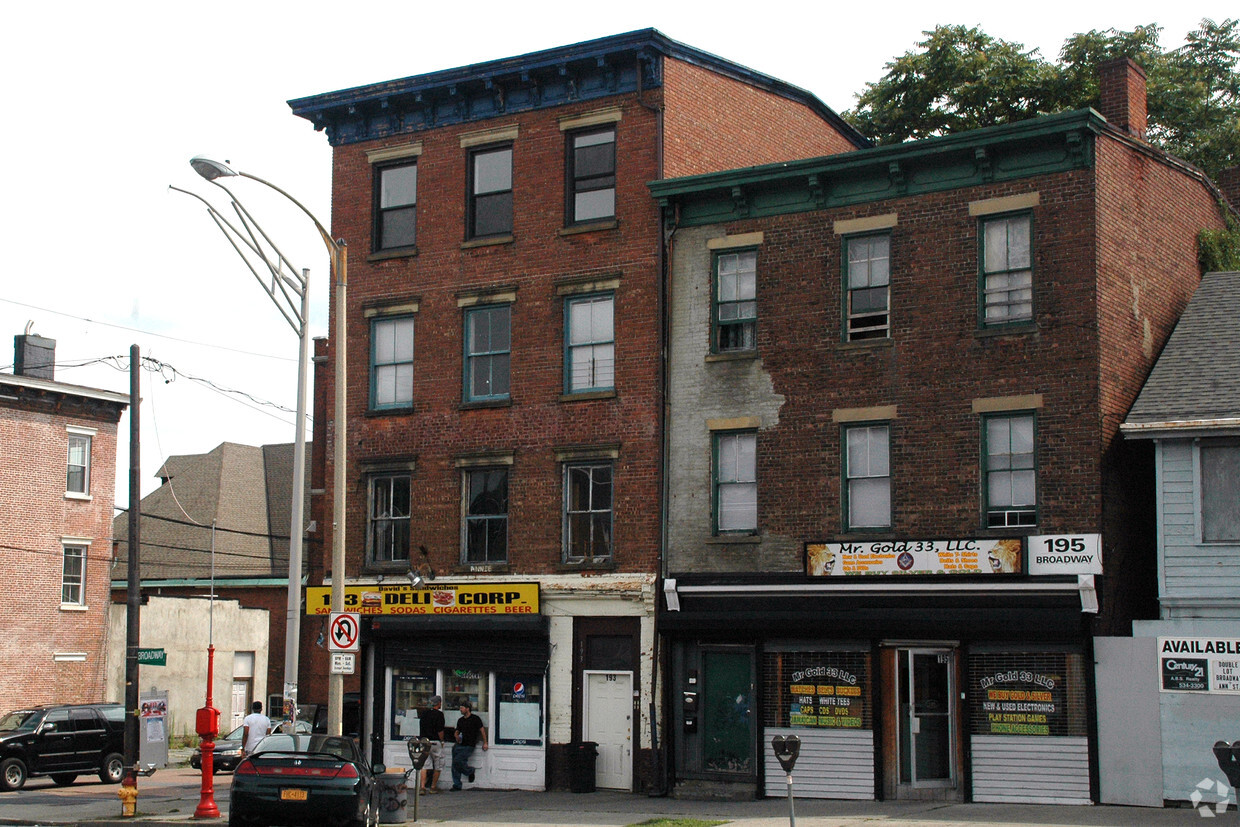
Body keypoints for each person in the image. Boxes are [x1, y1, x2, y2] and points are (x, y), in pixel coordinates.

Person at [450, 700, 487, 791]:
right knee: (455, 764)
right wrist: (456, 736)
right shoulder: (460, 720)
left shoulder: (475, 719)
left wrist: (485, 742)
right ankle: (457, 785)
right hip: (459, 744)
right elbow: (457, 731)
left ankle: (470, 771)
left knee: (457, 761)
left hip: (469, 745)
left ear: (467, 709)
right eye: (460, 708)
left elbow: (482, 731)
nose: (460, 710)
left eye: (462, 708)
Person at [419, 695, 445, 794]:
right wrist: (442, 741)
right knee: (438, 764)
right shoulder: (439, 715)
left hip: (424, 741)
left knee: (424, 765)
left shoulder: (424, 714)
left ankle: (422, 787)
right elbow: (440, 730)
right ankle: (433, 787)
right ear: (438, 703)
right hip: (435, 741)